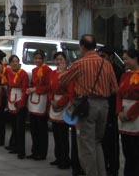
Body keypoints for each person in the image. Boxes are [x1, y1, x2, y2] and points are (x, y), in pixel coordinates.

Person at [59, 34, 118, 176]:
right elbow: (115, 89)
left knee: (86, 145)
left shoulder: (80, 63)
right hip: (104, 105)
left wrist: (62, 72)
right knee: (97, 142)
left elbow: (63, 81)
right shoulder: (107, 64)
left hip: (86, 105)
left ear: (82, 47)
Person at [98, 45, 124, 176]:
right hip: (101, 109)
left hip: (112, 110)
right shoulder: (100, 70)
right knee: (101, 141)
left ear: (111, 58)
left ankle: (113, 168)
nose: (101, 59)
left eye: (103, 57)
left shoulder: (118, 72)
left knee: (112, 141)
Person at [116, 48, 139, 176]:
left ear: (135, 59)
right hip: (123, 114)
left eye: (126, 59)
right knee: (126, 150)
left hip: (135, 115)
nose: (124, 62)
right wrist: (119, 111)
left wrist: (130, 114)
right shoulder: (125, 75)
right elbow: (119, 95)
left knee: (136, 150)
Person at [48, 51, 73, 170]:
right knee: (56, 134)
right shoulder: (53, 73)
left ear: (66, 61)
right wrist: (52, 100)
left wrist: (60, 103)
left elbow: (70, 92)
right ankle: (58, 157)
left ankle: (65, 159)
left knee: (63, 135)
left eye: (61, 60)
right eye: (57, 60)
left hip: (64, 103)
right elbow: (50, 89)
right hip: (54, 103)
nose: (59, 62)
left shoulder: (68, 74)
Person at [26, 49, 51, 161]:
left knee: (42, 128)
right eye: (36, 58)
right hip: (33, 99)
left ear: (43, 59)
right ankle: (34, 150)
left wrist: (36, 89)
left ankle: (42, 152)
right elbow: (32, 83)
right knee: (33, 127)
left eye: (39, 58)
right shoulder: (34, 70)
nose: (37, 60)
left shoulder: (48, 70)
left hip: (42, 100)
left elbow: (48, 87)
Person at [5, 54, 29, 159]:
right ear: (10, 64)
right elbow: (9, 86)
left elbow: (24, 89)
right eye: (12, 62)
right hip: (12, 98)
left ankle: (21, 150)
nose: (15, 63)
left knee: (20, 127)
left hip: (20, 100)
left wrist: (22, 103)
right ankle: (14, 145)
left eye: (16, 61)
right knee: (14, 125)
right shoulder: (10, 73)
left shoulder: (23, 74)